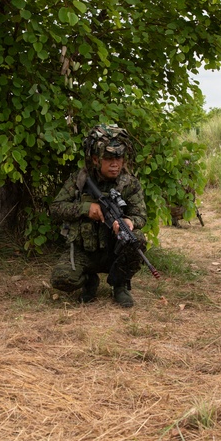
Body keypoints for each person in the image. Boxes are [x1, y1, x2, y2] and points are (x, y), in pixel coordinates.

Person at [50, 124, 148, 308]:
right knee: (61, 279)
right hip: (84, 250)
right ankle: (89, 281)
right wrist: (85, 209)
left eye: (119, 158)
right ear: (95, 159)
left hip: (114, 249)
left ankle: (119, 285)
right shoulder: (79, 180)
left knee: (137, 240)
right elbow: (55, 208)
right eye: (109, 158)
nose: (115, 163)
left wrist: (129, 221)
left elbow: (140, 215)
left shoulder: (129, 184)